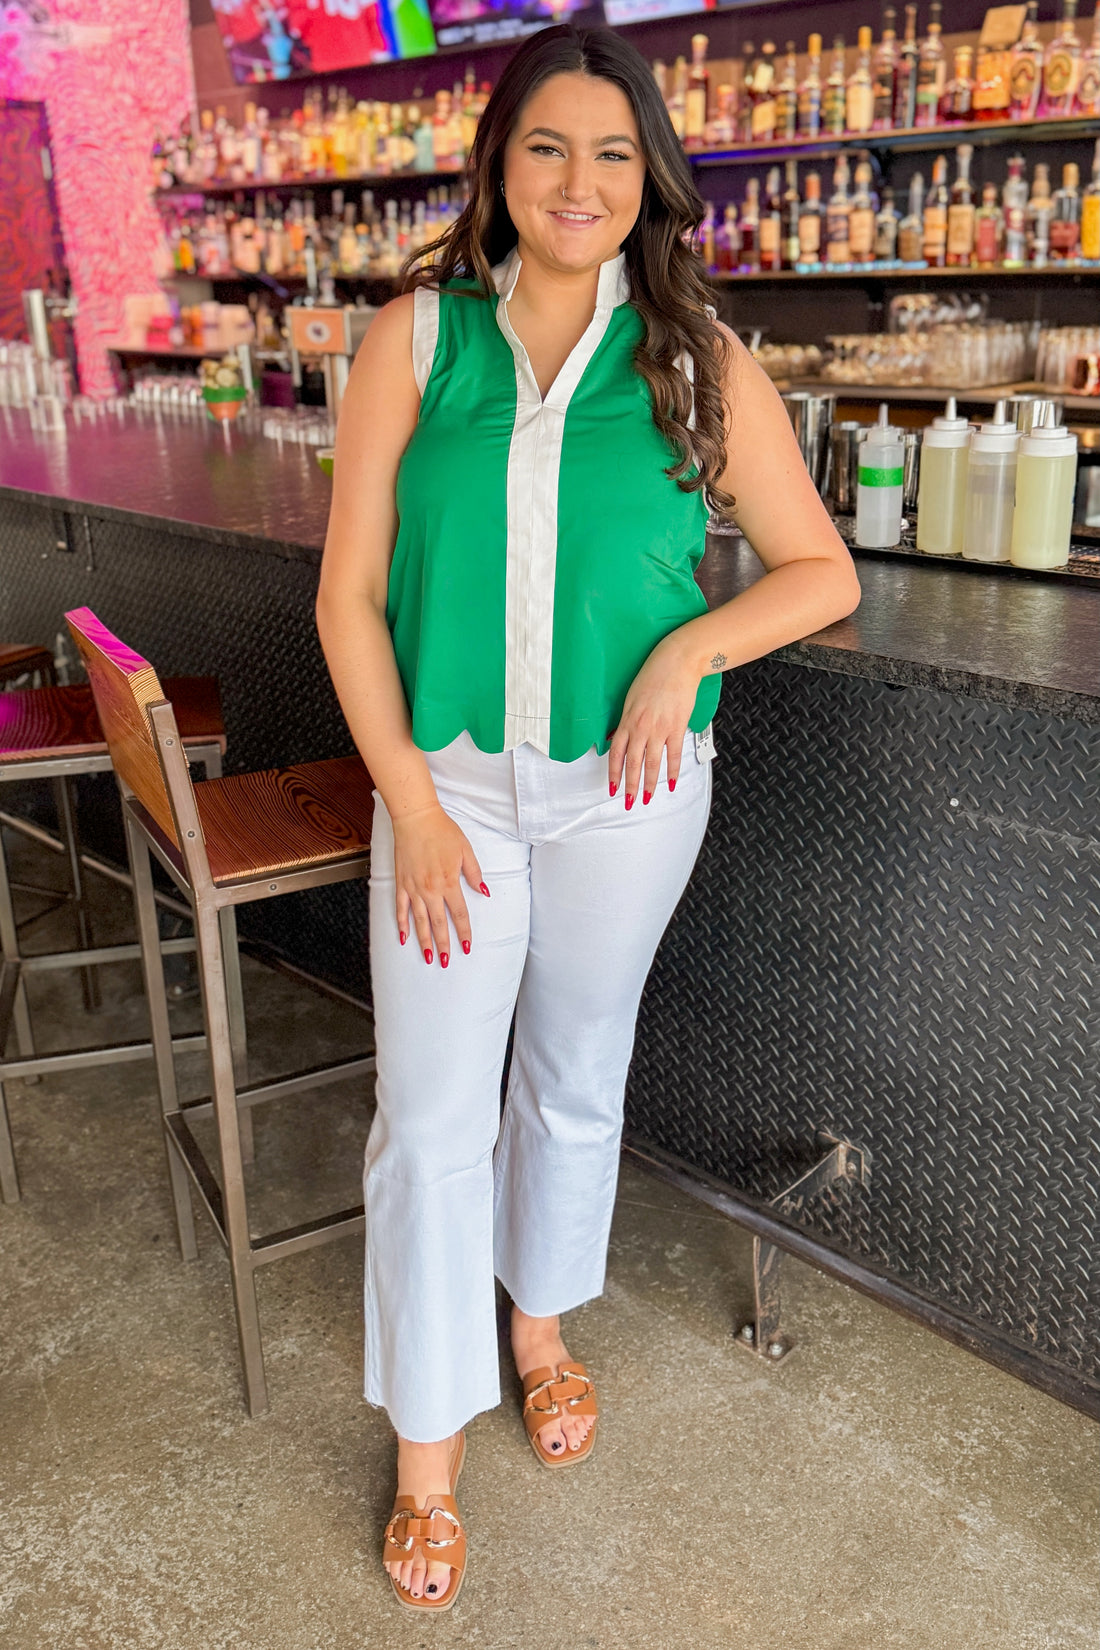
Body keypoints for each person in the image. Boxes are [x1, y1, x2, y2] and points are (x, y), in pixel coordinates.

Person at [316, 21, 860, 1613]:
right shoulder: (415, 341)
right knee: (429, 1118)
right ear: (498, 164)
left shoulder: (696, 358)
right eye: (548, 146)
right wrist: (407, 802)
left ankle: (538, 1323)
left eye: (615, 154)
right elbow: (348, 599)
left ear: (650, 181)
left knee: (572, 1076)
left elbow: (821, 570)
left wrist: (691, 644)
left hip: (631, 802)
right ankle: (429, 1443)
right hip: (450, 806)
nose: (580, 180)